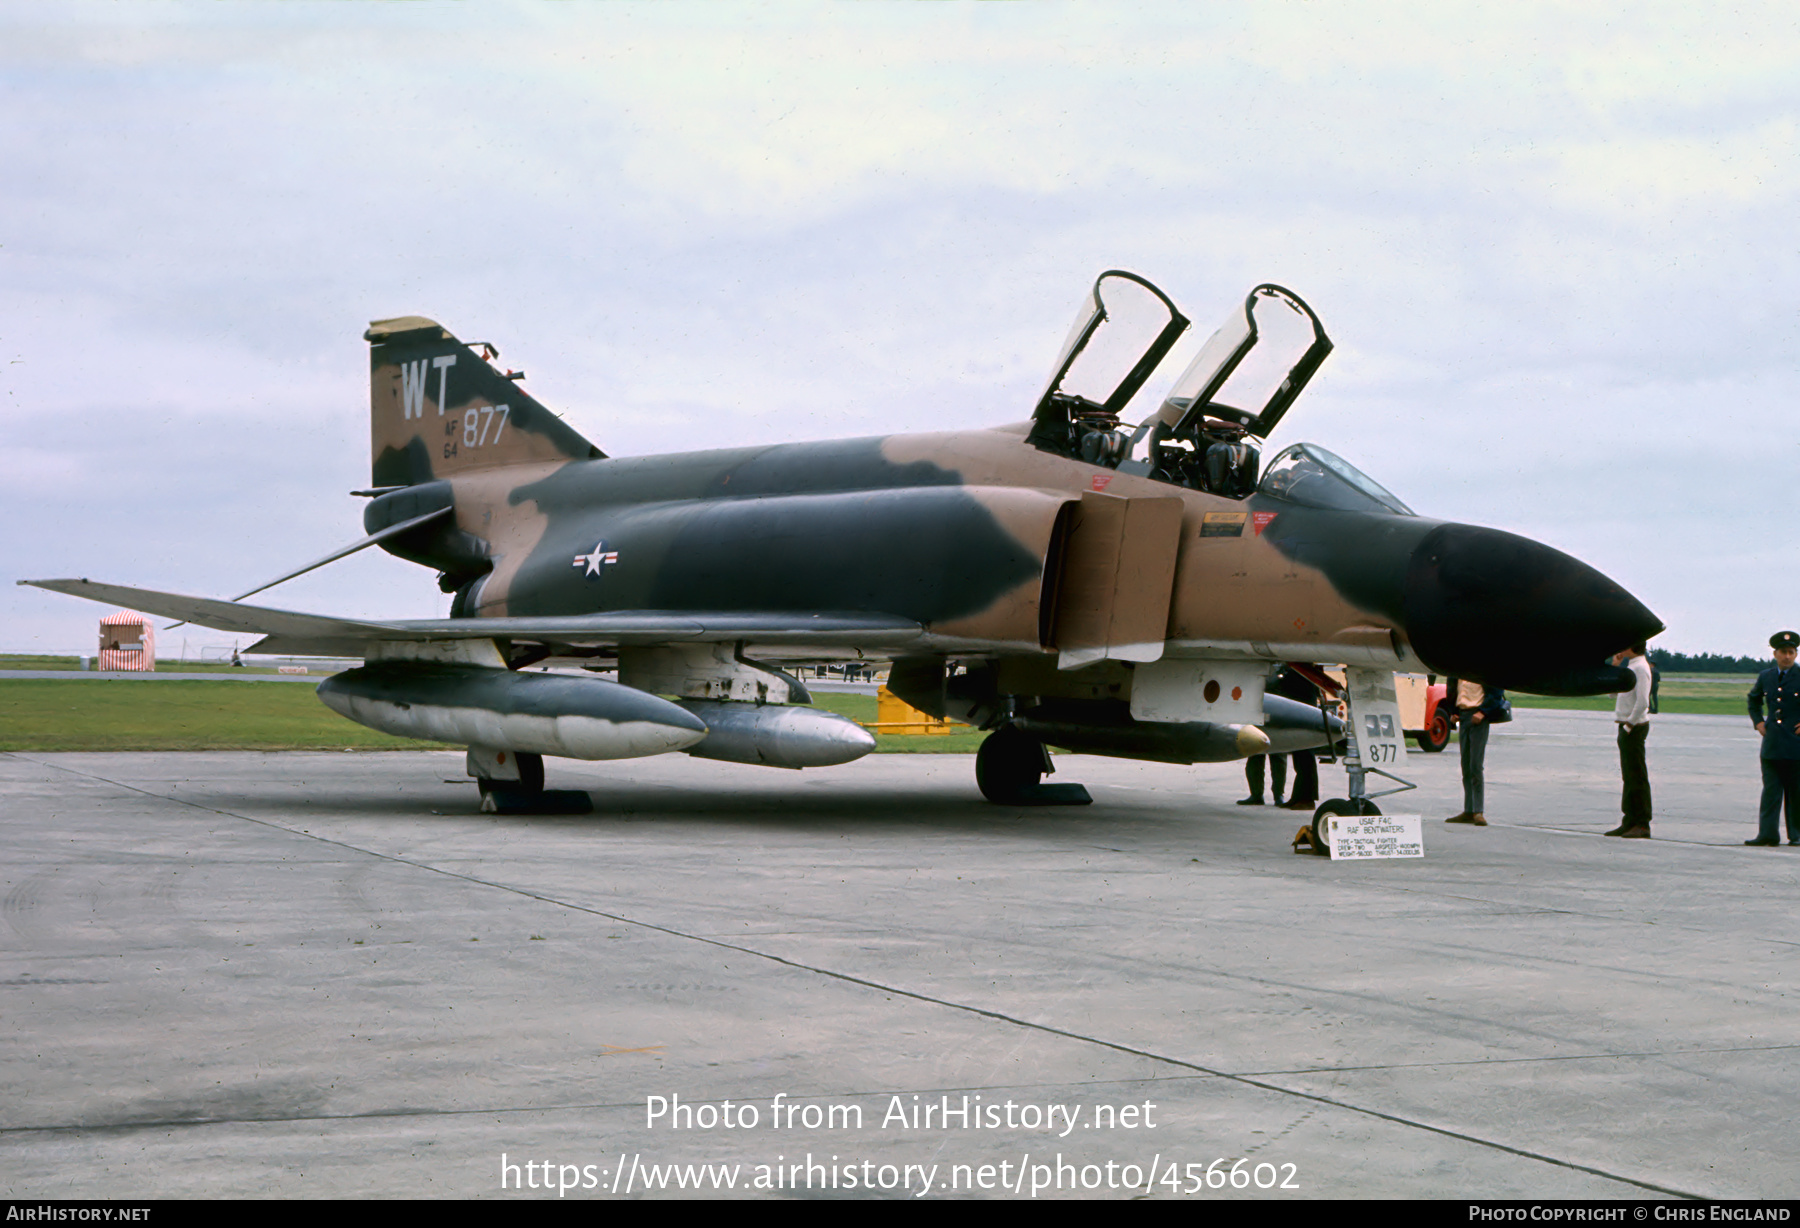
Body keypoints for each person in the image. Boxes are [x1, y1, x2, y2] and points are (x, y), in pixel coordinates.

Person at [1745, 630, 1800, 847]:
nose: (1787, 656)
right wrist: (1758, 722)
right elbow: (1753, 699)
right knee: (1771, 792)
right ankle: (1767, 834)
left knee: (1795, 792)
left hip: (1795, 745)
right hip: (1772, 744)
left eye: (1791, 652)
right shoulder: (1766, 676)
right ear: (1775, 654)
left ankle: (1796, 834)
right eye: (1783, 652)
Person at [1445, 676, 1510, 825]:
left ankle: (1478, 811)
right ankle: (1468, 810)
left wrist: (1483, 711)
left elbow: (1496, 690)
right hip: (1463, 714)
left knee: (1475, 765)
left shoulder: (1481, 668)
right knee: (1466, 766)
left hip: (1478, 716)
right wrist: (1453, 711)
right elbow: (1452, 688)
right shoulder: (1457, 669)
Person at [1607, 642, 1653, 838]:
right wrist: (1614, 667)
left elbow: (1643, 702)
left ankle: (1642, 823)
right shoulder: (1631, 667)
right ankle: (1629, 820)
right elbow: (1612, 693)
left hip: (1633, 727)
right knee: (1629, 776)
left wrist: (1629, 725)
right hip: (1626, 725)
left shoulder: (1640, 668)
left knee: (1636, 776)